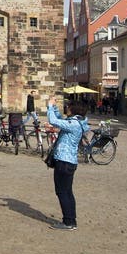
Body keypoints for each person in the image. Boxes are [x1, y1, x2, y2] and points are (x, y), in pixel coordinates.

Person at [46, 96, 89, 231]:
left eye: (68, 107)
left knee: (62, 192)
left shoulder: (74, 124)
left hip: (64, 161)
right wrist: (54, 107)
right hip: (68, 161)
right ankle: (70, 220)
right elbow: (59, 120)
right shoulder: (76, 122)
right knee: (67, 192)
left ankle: (68, 222)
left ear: (74, 109)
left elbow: (53, 120)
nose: (66, 108)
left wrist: (49, 106)